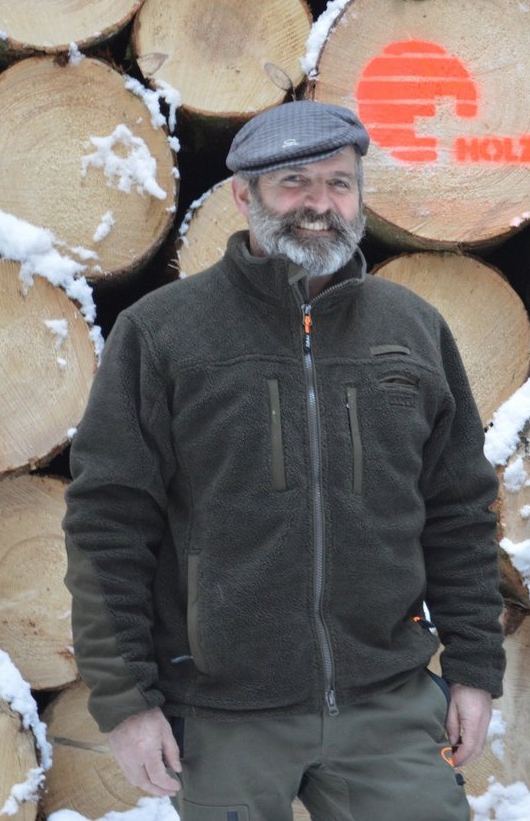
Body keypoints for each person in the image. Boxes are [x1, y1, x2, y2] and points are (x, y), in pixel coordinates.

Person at [62, 100, 504, 821]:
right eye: (294, 181)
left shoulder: (413, 329)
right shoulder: (164, 333)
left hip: (386, 705)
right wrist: (127, 702)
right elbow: (108, 524)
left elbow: (458, 511)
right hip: (222, 715)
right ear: (244, 196)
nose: (319, 204)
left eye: (338, 183)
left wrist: (475, 669)